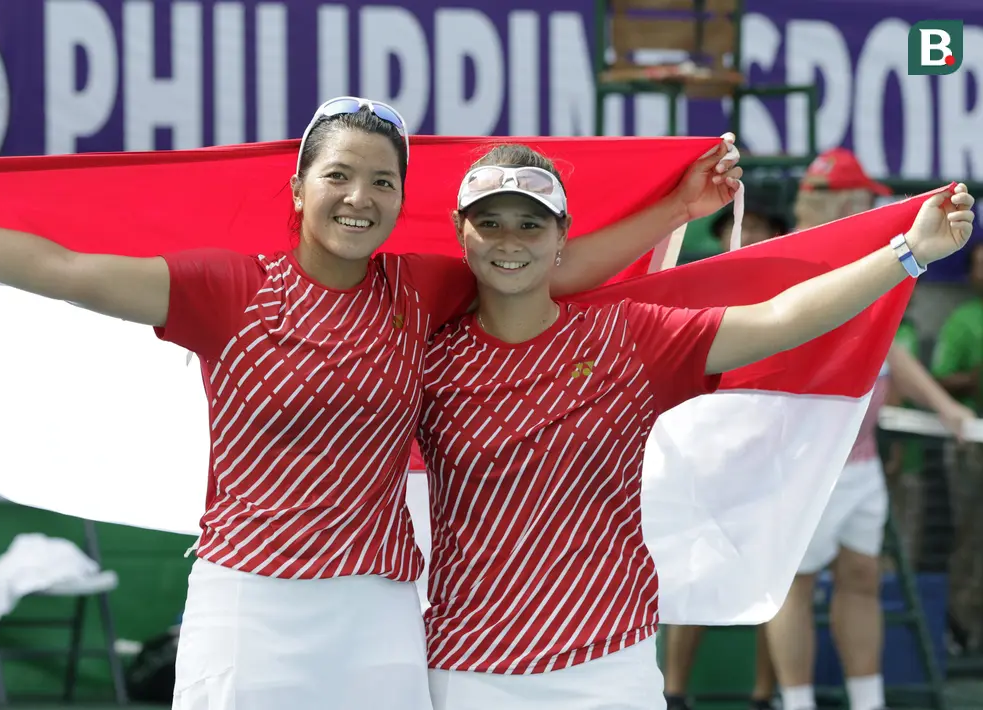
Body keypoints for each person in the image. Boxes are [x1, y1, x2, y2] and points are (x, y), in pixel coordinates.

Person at [0, 97, 743, 710]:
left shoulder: (417, 287)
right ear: (297, 190)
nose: (359, 196)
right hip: (251, 609)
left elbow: (548, 264)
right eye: (338, 175)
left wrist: (681, 206)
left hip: (379, 611)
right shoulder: (226, 289)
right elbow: (58, 269)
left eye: (382, 181)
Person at [414, 143, 974, 710]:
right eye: (490, 223)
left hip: (608, 666)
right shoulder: (420, 351)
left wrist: (910, 252)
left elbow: (779, 319)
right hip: (464, 666)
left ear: (563, 236)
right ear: (461, 232)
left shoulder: (625, 337)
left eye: (531, 224)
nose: (509, 241)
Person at [762, 147, 974, 710]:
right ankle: (798, 703)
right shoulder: (784, 257)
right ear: (838, 200)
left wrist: (944, 408)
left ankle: (867, 700)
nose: (873, 206)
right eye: (861, 196)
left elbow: (888, 350)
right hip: (801, 463)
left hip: (859, 465)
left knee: (861, 578)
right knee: (795, 588)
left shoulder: (875, 258)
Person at [662, 197, 790, 710]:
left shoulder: (797, 295)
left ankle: (764, 697)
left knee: (772, 580)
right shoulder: (697, 295)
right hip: (707, 462)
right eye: (740, 227)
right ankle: (674, 694)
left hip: (772, 465)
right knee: (695, 578)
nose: (746, 235)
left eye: (759, 226)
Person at [930, 241, 983, 653]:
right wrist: (974, 379)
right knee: (972, 539)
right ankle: (962, 630)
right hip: (973, 449)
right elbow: (937, 382)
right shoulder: (963, 320)